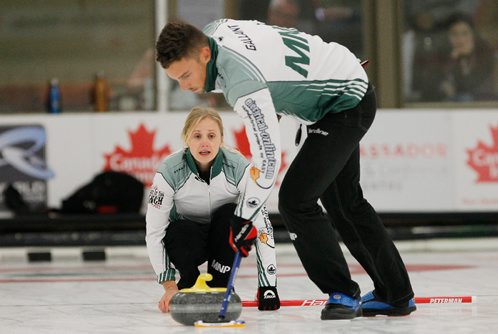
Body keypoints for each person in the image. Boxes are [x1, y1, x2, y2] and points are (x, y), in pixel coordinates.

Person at [155, 19, 415, 320]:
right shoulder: (213, 30)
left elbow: (267, 159)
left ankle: (342, 292)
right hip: (340, 82)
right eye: (176, 80)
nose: (185, 87)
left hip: (345, 101)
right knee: (346, 203)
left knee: (296, 199)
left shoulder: (241, 82)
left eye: (186, 75)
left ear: (203, 54)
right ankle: (396, 295)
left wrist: (244, 216)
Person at [145, 107, 280, 313]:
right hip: (190, 242)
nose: (204, 143)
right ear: (186, 138)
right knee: (178, 230)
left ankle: (221, 283)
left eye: (211, 136)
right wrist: (169, 286)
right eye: (197, 136)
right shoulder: (168, 172)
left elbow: (262, 224)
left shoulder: (239, 167)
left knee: (230, 214)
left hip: (223, 240)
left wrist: (267, 286)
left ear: (221, 139)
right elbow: (154, 233)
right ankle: (188, 282)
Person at [438, 13, 495, 101]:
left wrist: (466, 58)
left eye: (465, 33)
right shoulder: (443, 54)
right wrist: (452, 59)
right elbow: (436, 86)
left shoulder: (484, 54)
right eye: (454, 34)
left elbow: (472, 87)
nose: (460, 39)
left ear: (473, 34)